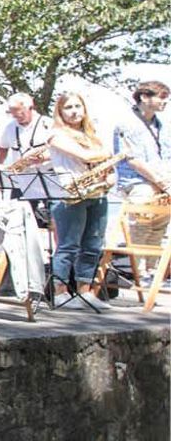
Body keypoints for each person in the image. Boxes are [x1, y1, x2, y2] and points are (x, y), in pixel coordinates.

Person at [47, 90, 116, 301]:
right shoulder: (56, 135)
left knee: (93, 245)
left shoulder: (93, 136)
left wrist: (110, 175)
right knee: (68, 245)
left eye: (78, 106)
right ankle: (60, 292)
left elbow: (106, 164)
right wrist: (109, 154)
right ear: (60, 112)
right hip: (70, 194)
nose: (74, 111)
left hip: (97, 193)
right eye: (68, 107)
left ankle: (85, 291)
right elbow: (85, 156)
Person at [111, 80, 169, 267]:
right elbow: (132, 159)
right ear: (144, 97)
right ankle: (138, 271)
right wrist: (160, 182)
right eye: (161, 97)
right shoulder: (126, 122)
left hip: (160, 183)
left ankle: (152, 271)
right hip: (137, 183)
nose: (165, 102)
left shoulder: (161, 125)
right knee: (141, 226)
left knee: (159, 228)